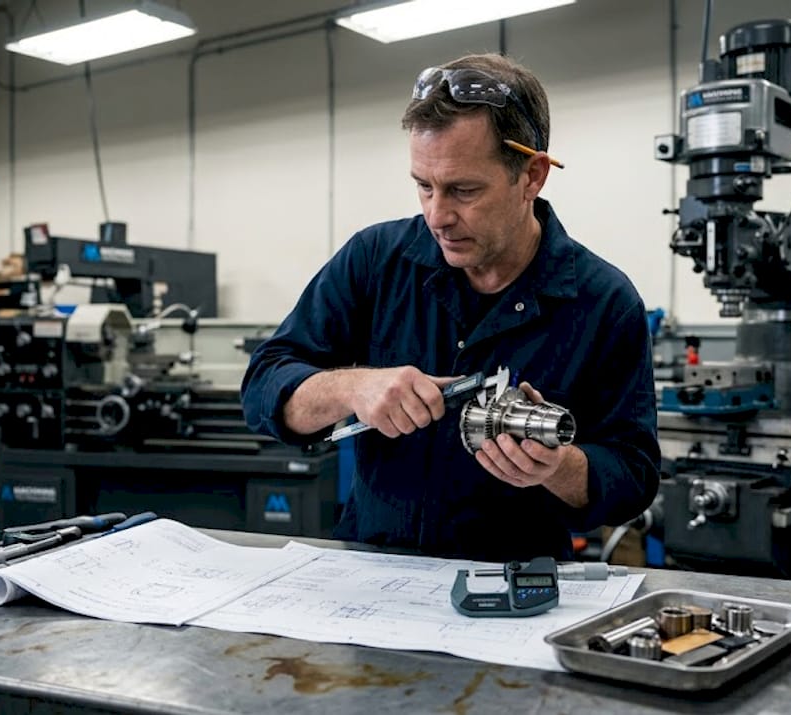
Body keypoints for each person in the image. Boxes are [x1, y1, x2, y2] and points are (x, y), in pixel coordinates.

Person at [241, 53, 658, 563]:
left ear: (532, 175)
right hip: (370, 575)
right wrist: (353, 386)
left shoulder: (604, 302)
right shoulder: (376, 261)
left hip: (515, 594)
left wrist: (558, 467)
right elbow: (263, 386)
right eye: (424, 186)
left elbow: (634, 476)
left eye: (464, 190)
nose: (438, 216)